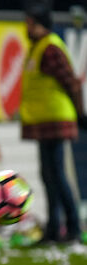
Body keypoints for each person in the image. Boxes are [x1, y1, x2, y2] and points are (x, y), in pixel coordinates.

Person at [21, 4, 87, 244]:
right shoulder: (37, 49)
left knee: (57, 176)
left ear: (39, 24)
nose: (26, 28)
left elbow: (72, 83)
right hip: (44, 122)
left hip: (56, 121)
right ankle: (53, 229)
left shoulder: (49, 49)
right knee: (48, 176)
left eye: (29, 23)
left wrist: (80, 115)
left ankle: (72, 229)